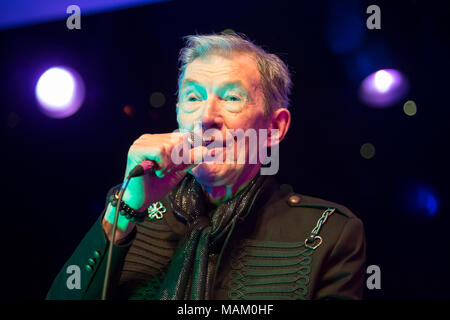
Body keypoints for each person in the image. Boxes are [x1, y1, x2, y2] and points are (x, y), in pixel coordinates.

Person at [47, 33, 366, 300]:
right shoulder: (132, 213)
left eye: (231, 98)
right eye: (193, 98)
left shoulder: (327, 231)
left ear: (273, 128)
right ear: (177, 114)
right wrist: (125, 210)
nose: (206, 117)